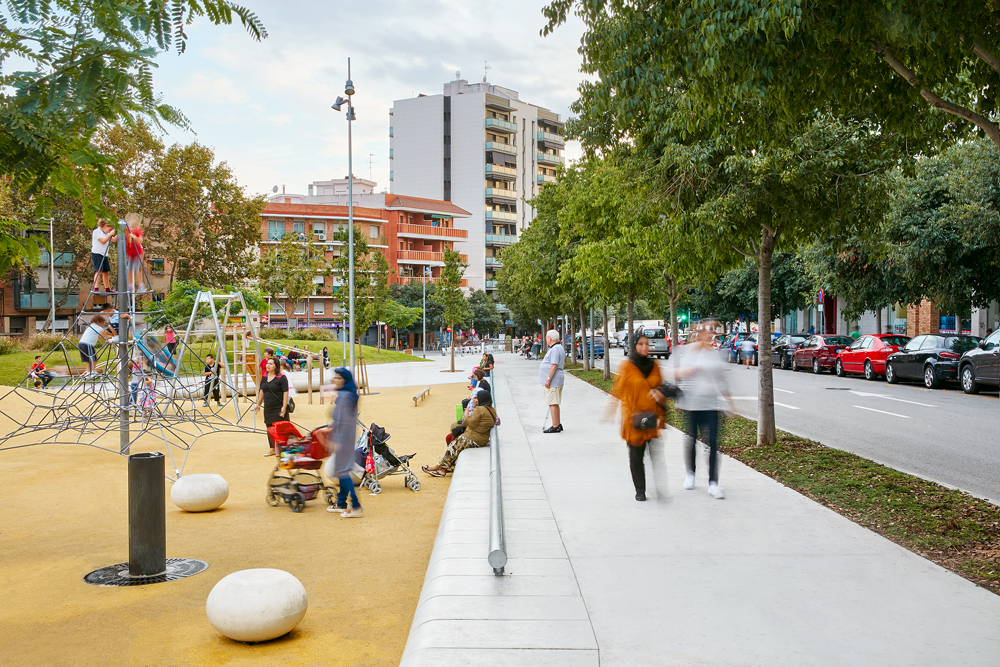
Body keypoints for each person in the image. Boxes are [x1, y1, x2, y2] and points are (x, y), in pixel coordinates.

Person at [672, 327, 735, 499]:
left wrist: (730, 402)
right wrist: (686, 371)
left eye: (709, 334)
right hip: (691, 405)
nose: (706, 337)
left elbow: (721, 380)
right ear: (696, 335)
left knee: (713, 444)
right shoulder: (686, 351)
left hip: (711, 405)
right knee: (691, 440)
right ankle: (690, 474)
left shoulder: (714, 354)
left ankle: (713, 483)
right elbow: (675, 373)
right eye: (702, 334)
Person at [611, 332, 669, 501]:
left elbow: (661, 386)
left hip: (652, 417)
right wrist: (621, 413)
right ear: (634, 346)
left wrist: (661, 394)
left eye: (647, 344)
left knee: (656, 455)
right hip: (633, 418)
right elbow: (619, 391)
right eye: (640, 344)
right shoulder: (627, 366)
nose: (644, 347)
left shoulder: (655, 365)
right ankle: (640, 490)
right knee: (636, 457)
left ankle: (660, 488)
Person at [422, 389, 496, 477]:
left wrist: (466, 415)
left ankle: (436, 467)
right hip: (481, 439)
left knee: (453, 446)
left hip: (473, 438)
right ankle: (442, 469)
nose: (476, 400)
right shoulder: (492, 410)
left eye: (477, 398)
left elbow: (468, 423)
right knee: (455, 446)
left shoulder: (479, 409)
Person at [326, 367, 363, 518]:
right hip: (345, 438)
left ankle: (355, 506)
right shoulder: (345, 394)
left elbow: (346, 422)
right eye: (334, 377)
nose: (333, 380)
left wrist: (338, 440)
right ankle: (341, 502)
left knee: (342, 471)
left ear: (344, 380)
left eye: (338, 378)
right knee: (342, 471)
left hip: (343, 439)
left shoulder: (345, 397)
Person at [255, 357, 289, 456]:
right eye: (267, 363)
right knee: (269, 428)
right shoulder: (264, 376)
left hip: (278, 406)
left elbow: (285, 393)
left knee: (279, 428)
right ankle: (272, 449)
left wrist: (284, 406)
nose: (268, 365)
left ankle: (281, 449)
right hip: (268, 407)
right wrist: (258, 403)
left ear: (276, 366)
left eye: (271, 364)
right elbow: (262, 391)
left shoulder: (281, 377)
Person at [539, 329, 565, 433]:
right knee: (554, 403)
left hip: (553, 381)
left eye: (546, 337)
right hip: (555, 380)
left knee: (552, 403)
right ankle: (557, 423)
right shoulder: (557, 347)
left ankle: (555, 425)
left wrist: (548, 379)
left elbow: (553, 365)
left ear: (549, 338)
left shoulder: (555, 349)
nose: (545, 339)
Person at [90, 219, 116, 293]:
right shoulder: (96, 232)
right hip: (97, 254)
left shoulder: (106, 233)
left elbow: (113, 239)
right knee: (99, 270)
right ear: (105, 226)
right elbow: (103, 241)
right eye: (109, 229)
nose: (109, 231)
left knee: (106, 272)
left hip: (104, 254)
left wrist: (120, 234)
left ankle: (107, 288)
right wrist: (110, 234)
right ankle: (96, 288)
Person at [123, 212, 144, 298]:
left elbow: (140, 241)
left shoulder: (138, 230)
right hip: (130, 253)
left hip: (138, 252)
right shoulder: (127, 230)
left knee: (136, 269)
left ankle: (141, 285)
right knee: (129, 269)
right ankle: (130, 286)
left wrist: (134, 237)